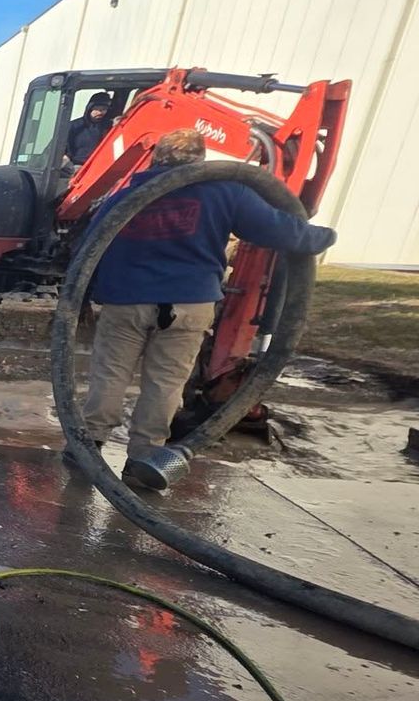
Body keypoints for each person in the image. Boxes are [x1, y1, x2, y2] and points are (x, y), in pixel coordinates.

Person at [73, 127, 337, 486]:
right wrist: (323, 237)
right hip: (188, 303)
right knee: (165, 383)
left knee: (109, 376)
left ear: (156, 156)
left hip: (126, 301)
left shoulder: (126, 194)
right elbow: (278, 230)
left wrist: (83, 296)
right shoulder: (224, 191)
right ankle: (144, 460)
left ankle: (86, 446)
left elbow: (88, 250)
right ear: (199, 159)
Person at [65, 92, 115, 165]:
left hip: (100, 165)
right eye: (97, 109)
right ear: (90, 108)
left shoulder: (109, 126)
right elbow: (64, 150)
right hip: (77, 165)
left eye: (104, 109)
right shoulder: (74, 126)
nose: (100, 112)